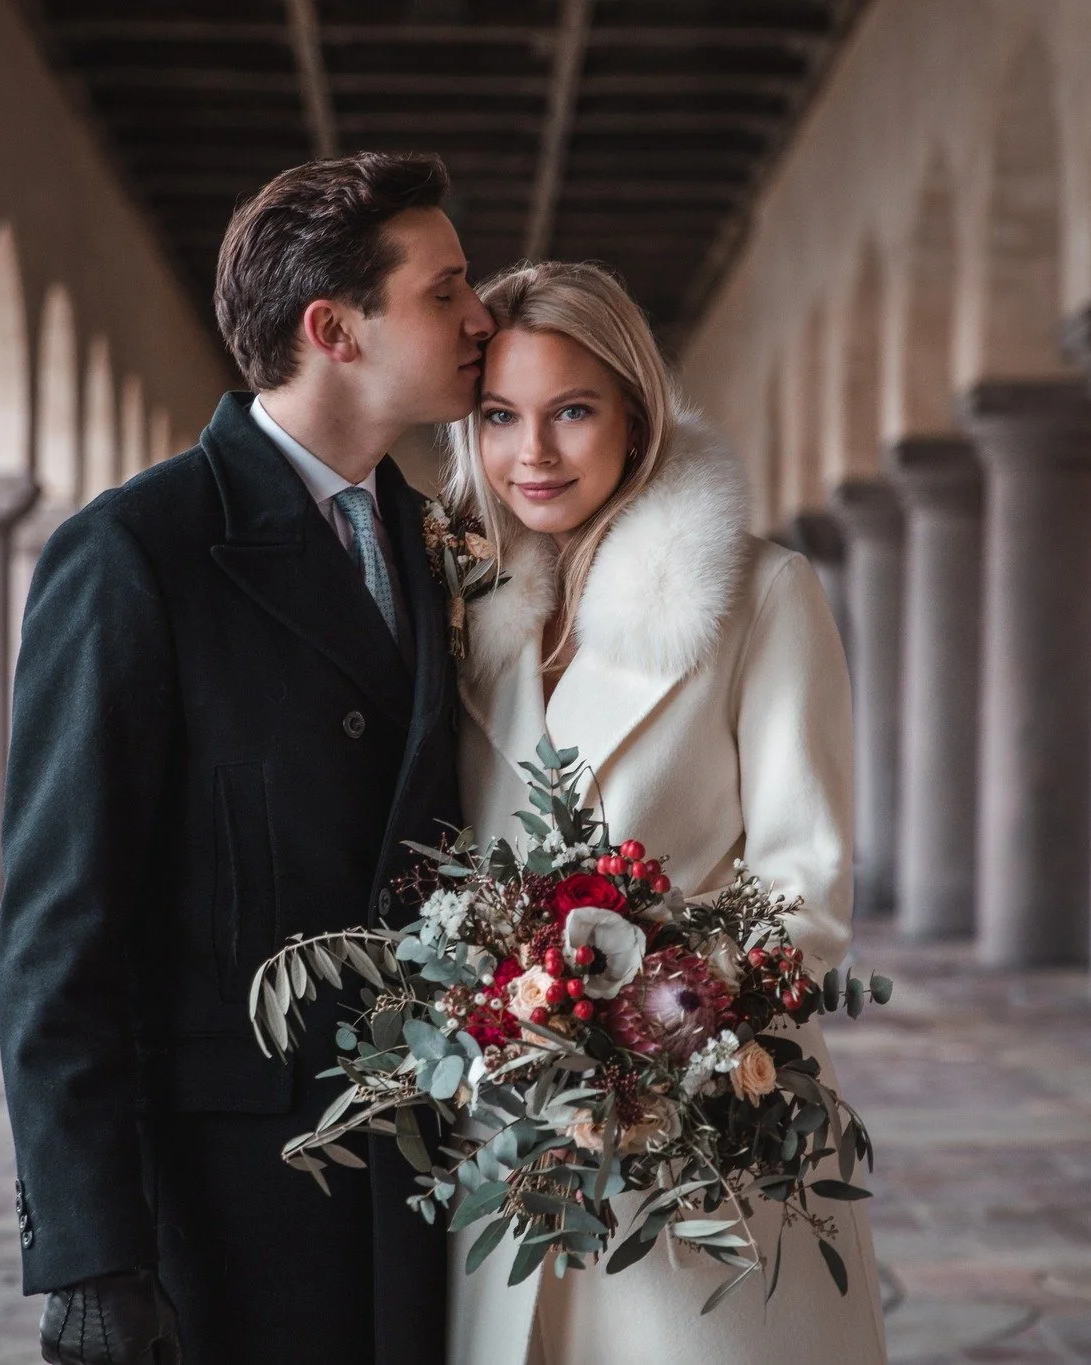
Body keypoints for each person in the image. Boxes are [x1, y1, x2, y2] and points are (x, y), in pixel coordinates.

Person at [0, 152, 494, 1365]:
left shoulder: (433, 544)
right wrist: (90, 1249)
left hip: (431, 1176)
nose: (483, 318)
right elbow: (61, 931)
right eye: (445, 291)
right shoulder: (135, 551)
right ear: (334, 329)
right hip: (232, 1191)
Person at [440, 261, 887, 1364]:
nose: (530, 454)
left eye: (571, 412)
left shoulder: (758, 594)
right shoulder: (461, 616)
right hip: (501, 1138)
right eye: (498, 416)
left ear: (634, 417)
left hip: (701, 1136)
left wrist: (652, 1020)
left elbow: (805, 884)